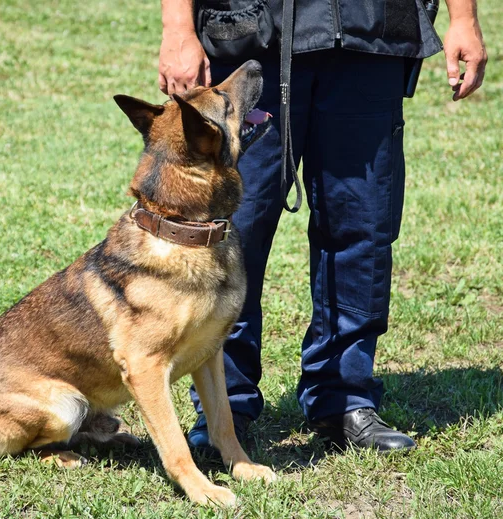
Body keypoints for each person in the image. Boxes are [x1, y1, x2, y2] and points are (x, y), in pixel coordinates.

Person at [158, 0, 487, 451]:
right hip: (252, 35)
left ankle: (345, 399)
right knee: (235, 231)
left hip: (369, 36)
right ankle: (223, 409)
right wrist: (177, 26)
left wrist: (464, 18)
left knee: (362, 225)